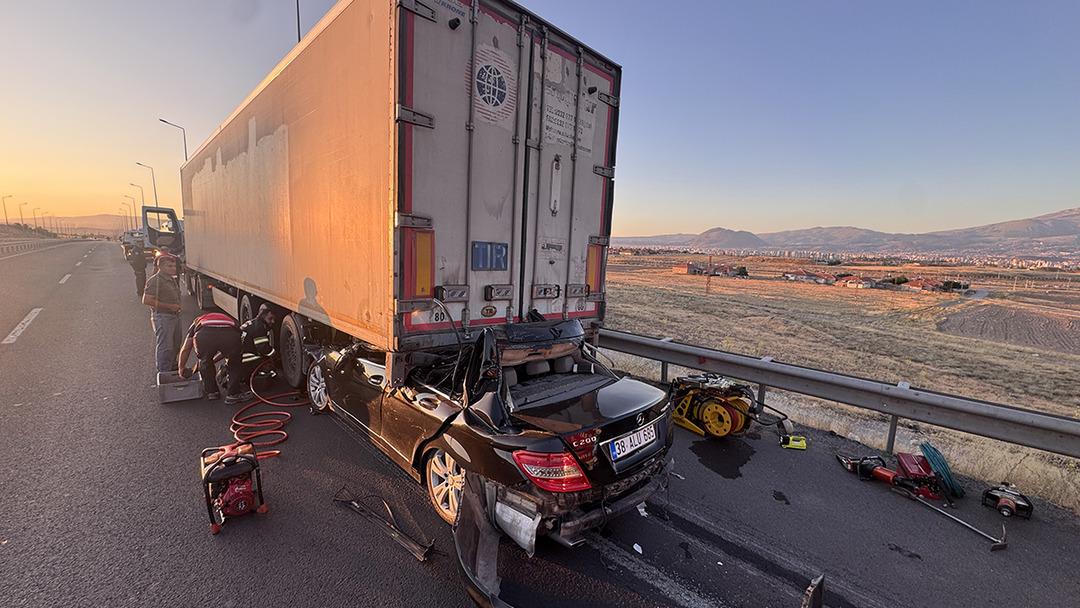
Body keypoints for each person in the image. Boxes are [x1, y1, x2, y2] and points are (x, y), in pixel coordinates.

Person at [177, 312, 254, 404]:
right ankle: (233, 395)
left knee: (205, 362)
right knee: (234, 362)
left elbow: (186, 348)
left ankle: (212, 392)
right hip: (230, 335)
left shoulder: (197, 322)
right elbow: (229, 350)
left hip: (204, 336)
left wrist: (181, 368)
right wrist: (231, 356)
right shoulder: (231, 320)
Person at [142, 254, 183, 373]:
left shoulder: (171, 279)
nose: (173, 268)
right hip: (163, 316)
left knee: (176, 344)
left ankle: (172, 365)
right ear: (161, 267)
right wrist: (169, 306)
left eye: (174, 266)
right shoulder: (155, 281)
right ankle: (164, 371)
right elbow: (146, 300)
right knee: (166, 346)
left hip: (175, 316)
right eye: (169, 266)